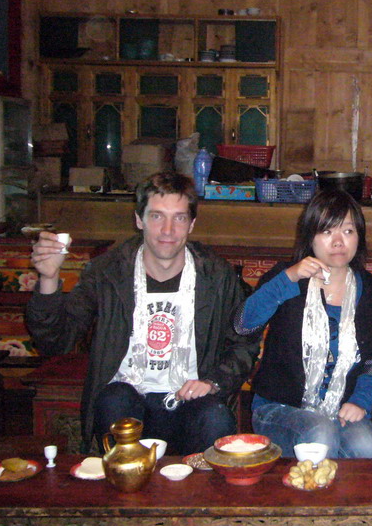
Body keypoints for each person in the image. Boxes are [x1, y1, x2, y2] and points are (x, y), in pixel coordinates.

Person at [235, 188, 372, 526]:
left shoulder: (370, 289)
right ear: (310, 237)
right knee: (319, 435)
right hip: (278, 407)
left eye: (348, 231)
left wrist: (362, 400)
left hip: (340, 407)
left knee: (368, 445)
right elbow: (243, 323)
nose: (338, 241)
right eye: (328, 231)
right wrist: (291, 277)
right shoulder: (286, 278)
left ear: (359, 238)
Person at [26, 171, 260, 456]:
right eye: (157, 216)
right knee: (114, 401)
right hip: (127, 395)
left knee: (215, 418)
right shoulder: (109, 272)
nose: (168, 230)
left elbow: (244, 341)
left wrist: (214, 382)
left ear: (192, 224)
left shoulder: (216, 276)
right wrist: (49, 279)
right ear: (139, 220)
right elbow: (55, 342)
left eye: (179, 218)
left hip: (188, 396)